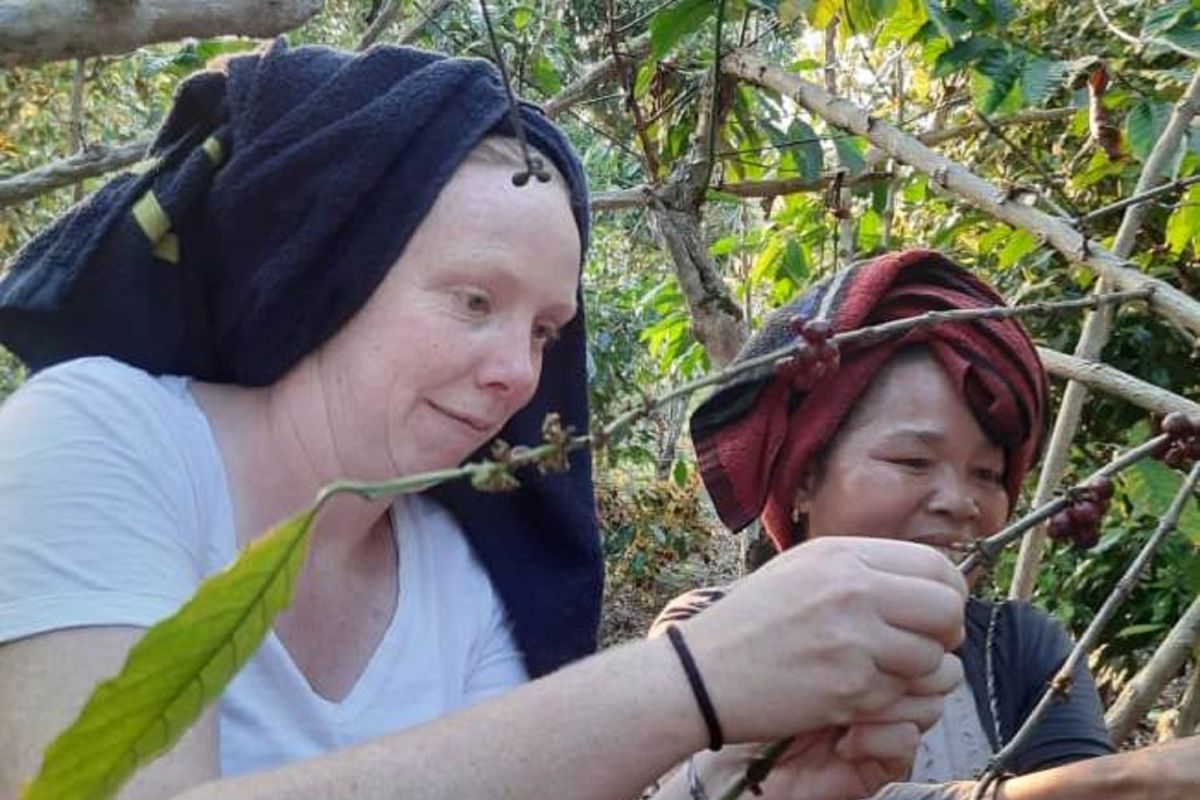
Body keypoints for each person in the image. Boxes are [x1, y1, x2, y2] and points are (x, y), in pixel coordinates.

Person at [0, 44, 969, 800]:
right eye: (473, 301)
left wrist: (742, 781)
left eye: (547, 328)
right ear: (328, 268)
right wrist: (688, 682)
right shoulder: (101, 436)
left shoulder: (457, 575)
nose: (517, 373)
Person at [652, 249, 1200, 800]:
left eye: (987, 473)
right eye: (913, 462)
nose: (961, 501)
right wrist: (1135, 780)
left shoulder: (1020, 648)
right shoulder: (715, 631)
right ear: (803, 480)